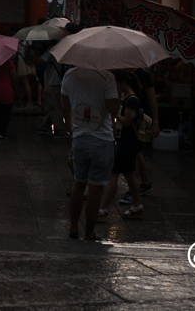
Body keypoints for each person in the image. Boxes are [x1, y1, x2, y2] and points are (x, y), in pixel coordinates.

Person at [61, 67, 120, 241]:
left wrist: (72, 131)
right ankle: (89, 232)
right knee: (95, 187)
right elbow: (113, 109)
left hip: (79, 137)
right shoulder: (107, 77)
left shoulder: (69, 75)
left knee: (78, 183)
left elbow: (64, 107)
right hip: (101, 139)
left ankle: (73, 228)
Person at [98, 71, 146, 222]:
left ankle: (103, 208)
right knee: (129, 174)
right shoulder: (124, 97)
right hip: (123, 139)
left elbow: (126, 121)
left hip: (128, 141)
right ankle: (137, 206)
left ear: (121, 82)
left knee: (114, 174)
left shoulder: (132, 99)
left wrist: (114, 113)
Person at [119, 67, 159, 204]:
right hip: (130, 118)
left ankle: (132, 191)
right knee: (136, 152)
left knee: (133, 154)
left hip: (140, 120)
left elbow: (153, 100)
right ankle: (146, 183)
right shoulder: (122, 73)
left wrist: (156, 122)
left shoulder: (142, 74)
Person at [38, 51, 70, 138]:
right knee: (50, 105)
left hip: (52, 82)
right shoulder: (61, 48)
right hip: (58, 81)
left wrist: (33, 52)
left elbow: (40, 60)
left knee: (54, 106)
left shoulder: (52, 50)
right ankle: (46, 126)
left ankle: (60, 129)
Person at [15, 38, 38, 108]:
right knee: (27, 83)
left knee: (25, 83)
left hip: (22, 61)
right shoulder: (29, 40)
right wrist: (34, 63)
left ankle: (30, 102)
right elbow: (33, 52)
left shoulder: (17, 41)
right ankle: (20, 99)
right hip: (30, 62)